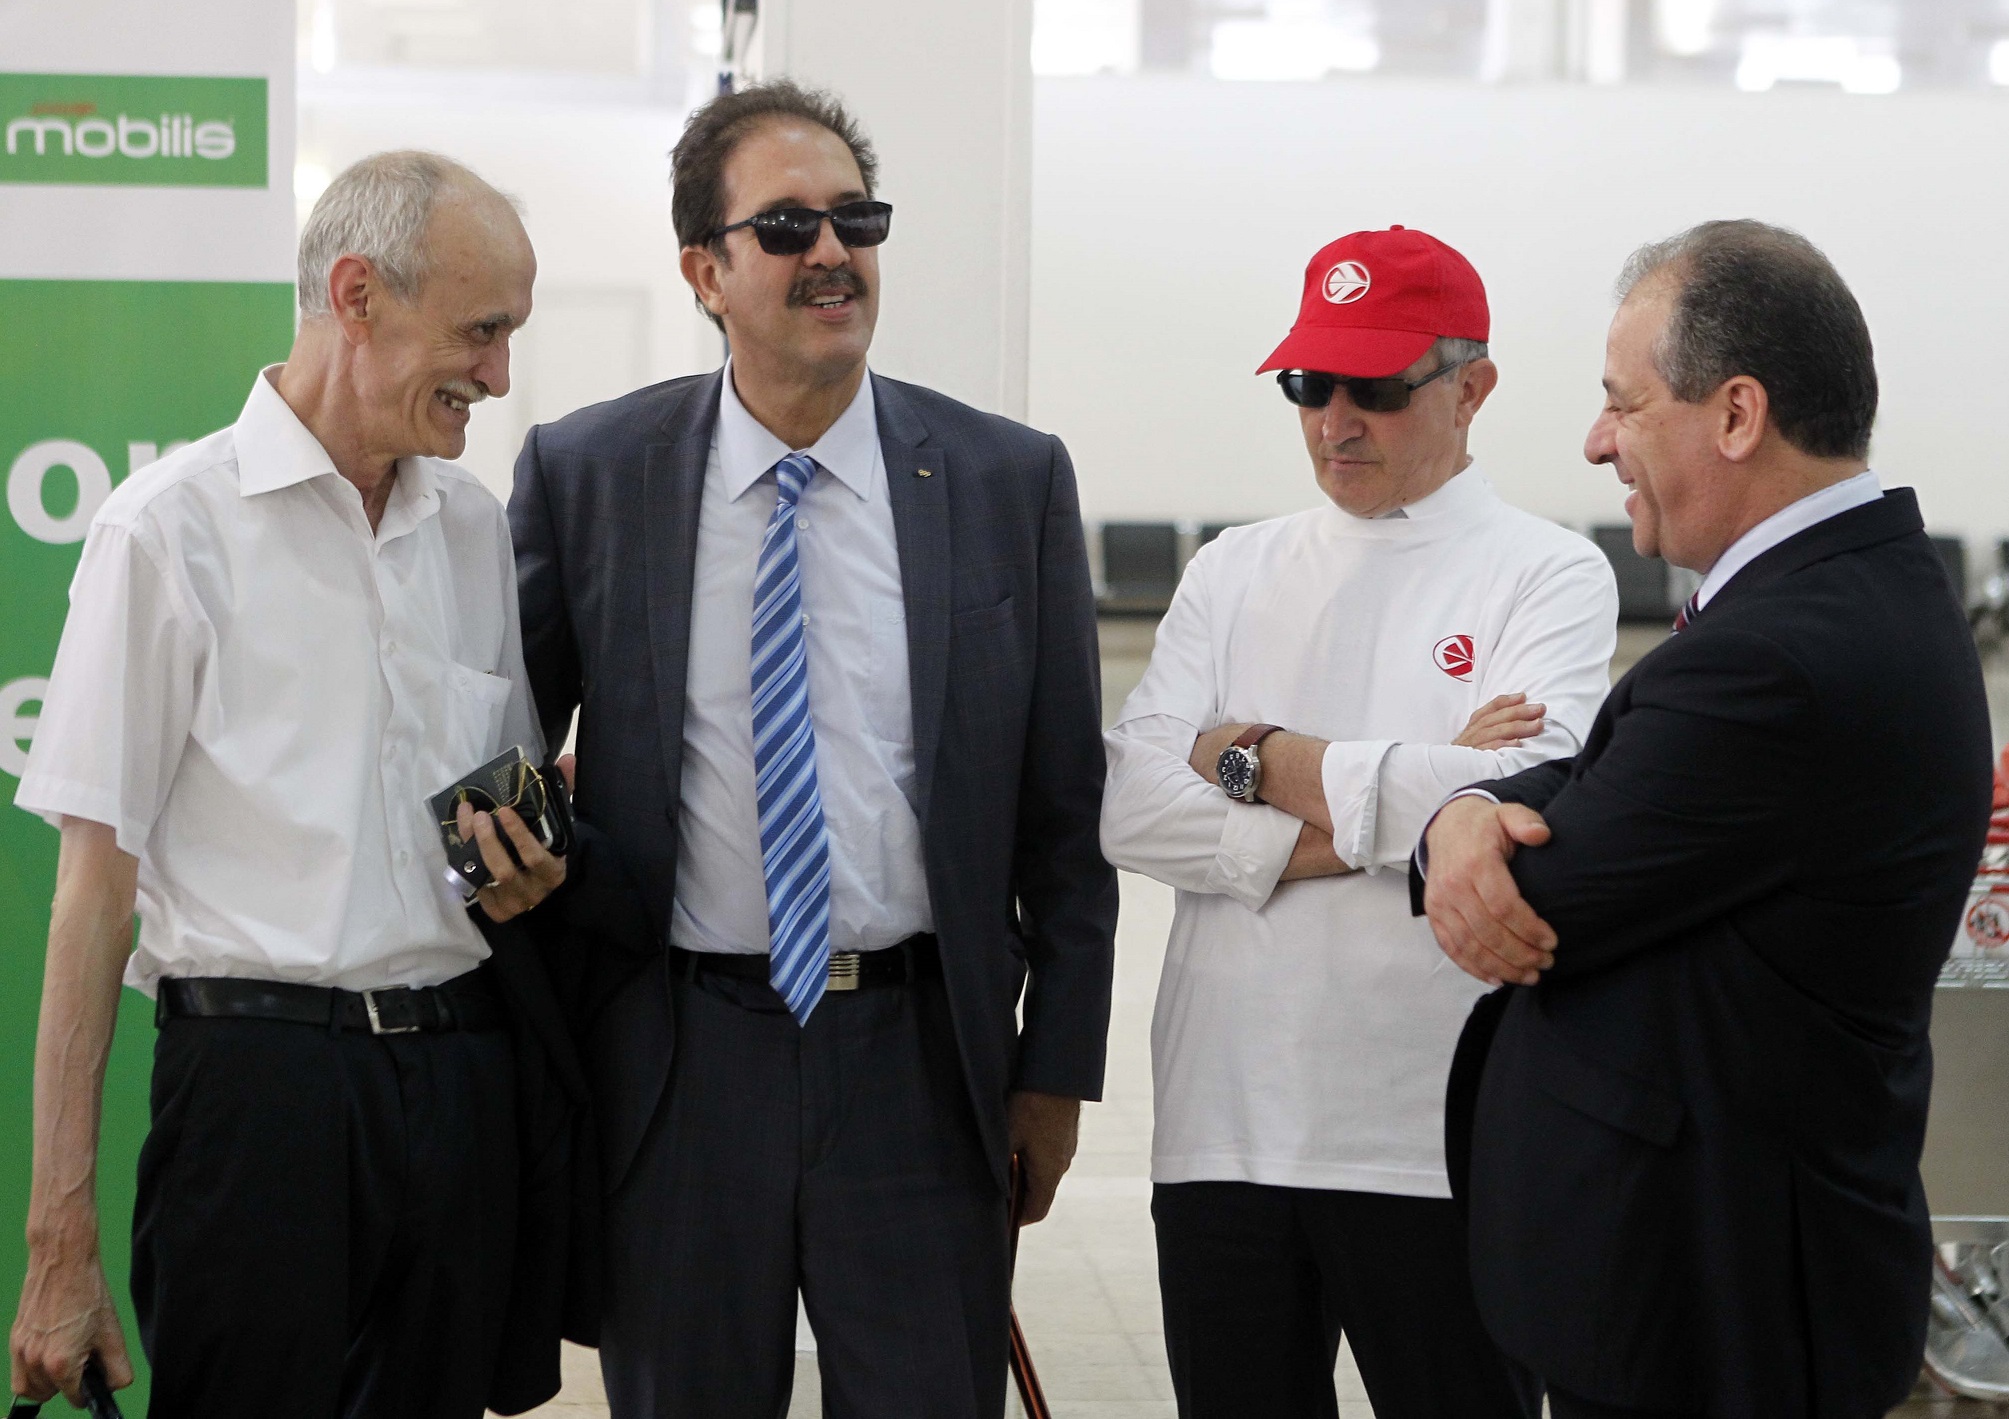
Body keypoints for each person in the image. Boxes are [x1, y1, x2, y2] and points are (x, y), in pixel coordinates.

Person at [508, 79, 1117, 1419]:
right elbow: (499, 738)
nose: (831, 252)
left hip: (917, 1057)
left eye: (857, 219)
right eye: (785, 226)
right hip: (678, 1059)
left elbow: (1063, 814)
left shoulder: (1005, 480)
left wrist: (1055, 1069)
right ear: (704, 269)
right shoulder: (589, 472)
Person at [5, 151, 578, 1418]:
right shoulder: (167, 531)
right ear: (358, 293)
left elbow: (489, 816)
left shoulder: (473, 529)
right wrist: (59, 1243)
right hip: (258, 1104)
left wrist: (528, 858)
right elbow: (90, 906)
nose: (498, 376)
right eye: (480, 333)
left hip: (457, 1091)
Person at [1418, 220, 1992, 1419]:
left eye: (1621, 406)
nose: (1594, 442)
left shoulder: (1777, 658)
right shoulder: (1839, 599)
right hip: (1724, 1281)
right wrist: (1471, 804)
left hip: (1707, 1306)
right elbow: (1601, 782)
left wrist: (1457, 831)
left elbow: (1549, 887)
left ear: (1735, 415)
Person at [1099, 225, 1617, 1419]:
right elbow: (1128, 800)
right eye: (1307, 384)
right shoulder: (1232, 570)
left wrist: (1242, 754)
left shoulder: (1546, 575)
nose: (1334, 418)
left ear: (1470, 387)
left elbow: (1533, 792)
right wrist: (1417, 807)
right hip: (1222, 1129)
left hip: (1430, 1134)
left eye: (1375, 388)